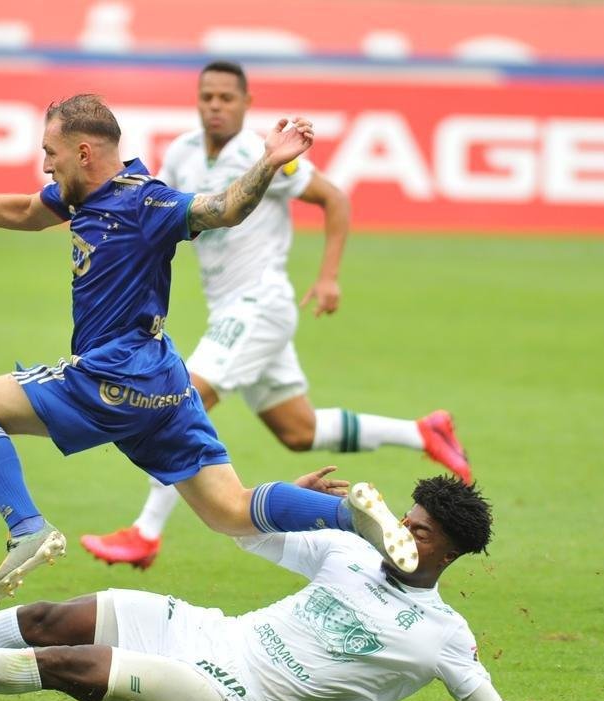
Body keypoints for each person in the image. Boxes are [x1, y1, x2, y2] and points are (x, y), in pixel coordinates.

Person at [0, 94, 419, 605]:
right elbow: (29, 209)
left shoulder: (147, 202)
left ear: (83, 154)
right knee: (231, 512)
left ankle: (28, 529)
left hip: (113, 375)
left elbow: (223, 209)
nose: (44, 164)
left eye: (50, 153)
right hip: (163, 384)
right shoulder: (82, 194)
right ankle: (346, 515)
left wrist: (267, 161)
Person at [0, 473, 604, 701]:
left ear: (447, 552)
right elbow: (243, 530)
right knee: (54, 617)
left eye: (420, 529)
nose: (403, 530)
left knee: (71, 666)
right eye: (405, 517)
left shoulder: (442, 636)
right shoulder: (348, 551)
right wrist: (303, 502)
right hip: (206, 631)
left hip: (236, 696)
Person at [82, 62, 471, 571]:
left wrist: (328, 276)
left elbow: (333, 197)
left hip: (259, 302)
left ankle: (145, 532)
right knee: (298, 430)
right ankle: (422, 433)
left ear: (245, 103)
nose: (215, 105)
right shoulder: (179, 153)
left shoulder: (265, 157)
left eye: (226, 97)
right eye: (207, 96)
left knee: (183, 398)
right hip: (231, 308)